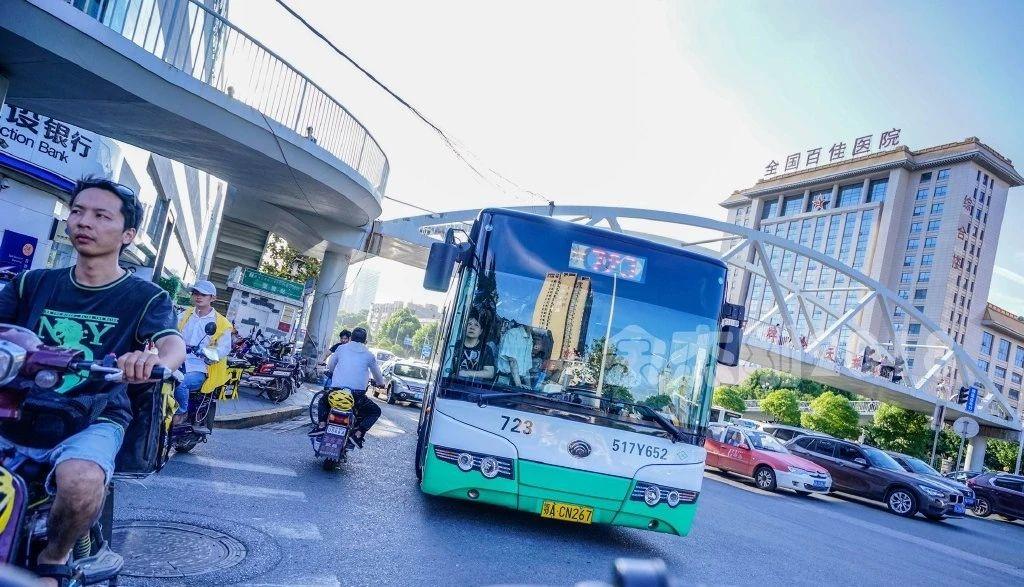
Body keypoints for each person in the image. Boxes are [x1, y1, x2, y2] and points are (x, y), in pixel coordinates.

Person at [0, 177, 185, 586]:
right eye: (79, 211)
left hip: (92, 415)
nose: (85, 221)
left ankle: (55, 559)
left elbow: (171, 344)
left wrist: (152, 361)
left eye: (102, 216)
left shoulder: (146, 298)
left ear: (128, 234)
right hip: (13, 406)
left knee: (80, 480)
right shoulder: (33, 283)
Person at [174, 281, 232, 427]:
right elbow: (171, 332)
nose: (198, 297)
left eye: (203, 294)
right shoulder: (184, 315)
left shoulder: (221, 323)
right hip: (177, 360)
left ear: (212, 298)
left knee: (180, 382)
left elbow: (224, 349)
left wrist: (206, 352)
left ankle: (182, 411)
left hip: (201, 367)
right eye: (195, 293)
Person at [316, 327, 384, 448]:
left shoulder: (341, 349)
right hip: (356, 396)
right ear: (365, 341)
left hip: (336, 393)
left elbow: (331, 366)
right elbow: (378, 375)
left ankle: (321, 425)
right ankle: (357, 434)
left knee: (322, 401)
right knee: (375, 411)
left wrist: (332, 371)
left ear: (351, 338)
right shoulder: (369, 355)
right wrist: (380, 384)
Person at [456, 313, 495, 381]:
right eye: (469, 324)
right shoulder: (456, 345)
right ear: (464, 328)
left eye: (476, 325)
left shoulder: (486, 349)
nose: (472, 327)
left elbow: (490, 373)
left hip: (474, 387)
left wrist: (467, 373)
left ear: (481, 331)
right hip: (452, 384)